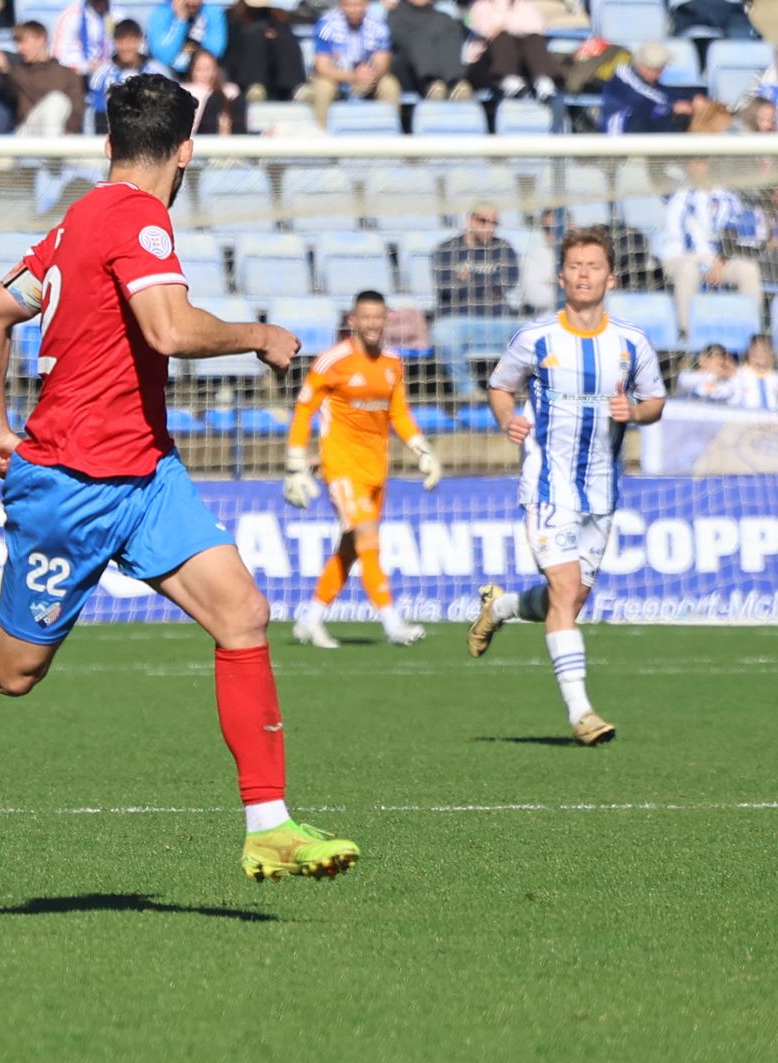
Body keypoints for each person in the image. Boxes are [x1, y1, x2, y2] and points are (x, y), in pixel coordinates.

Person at [0, 74, 361, 884]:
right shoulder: (138, 217)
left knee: (242, 613)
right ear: (187, 152)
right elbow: (168, 329)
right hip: (70, 483)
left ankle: (268, 825)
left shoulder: (74, 224)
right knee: (11, 668)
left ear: (108, 144)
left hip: (147, 473)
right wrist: (259, 333)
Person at [466, 225, 666, 746]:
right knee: (562, 589)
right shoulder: (535, 337)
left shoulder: (631, 342)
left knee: (570, 601)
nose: (583, 274)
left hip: (602, 489)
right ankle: (582, 714)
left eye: (593, 266)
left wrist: (635, 412)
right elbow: (500, 385)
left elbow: (655, 401)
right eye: (575, 266)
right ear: (561, 277)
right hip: (548, 484)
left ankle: (501, 607)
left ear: (610, 278)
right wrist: (506, 418)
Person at [284, 290, 442, 650]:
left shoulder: (392, 363)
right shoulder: (332, 361)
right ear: (353, 321)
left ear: (385, 320)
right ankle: (393, 623)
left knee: (351, 548)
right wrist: (295, 463)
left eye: (378, 317)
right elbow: (304, 409)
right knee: (368, 540)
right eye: (365, 317)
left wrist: (422, 451)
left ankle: (310, 619)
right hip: (341, 466)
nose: (372, 324)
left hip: (375, 469)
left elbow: (399, 412)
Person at [660, 158, 764, 339]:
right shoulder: (677, 193)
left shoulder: (728, 197)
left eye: (704, 161)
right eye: (695, 161)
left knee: (748, 269)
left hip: (719, 259)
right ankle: (686, 335)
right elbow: (679, 240)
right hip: (681, 257)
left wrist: (721, 260)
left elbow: (737, 233)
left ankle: (754, 336)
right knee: (689, 270)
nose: (700, 166)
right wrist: (707, 262)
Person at [431, 202, 522, 399]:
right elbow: (447, 287)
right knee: (442, 333)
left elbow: (509, 282)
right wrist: (490, 284)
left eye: (494, 222)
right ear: (469, 220)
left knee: (536, 330)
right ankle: (469, 392)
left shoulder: (503, 247)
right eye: (483, 221)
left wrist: (470, 278)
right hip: (460, 321)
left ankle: (521, 389)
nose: (489, 227)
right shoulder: (446, 250)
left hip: (500, 320)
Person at [0, 20, 86, 136]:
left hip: (61, 133)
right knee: (55, 101)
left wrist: (70, 131)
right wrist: (4, 70)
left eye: (23, 42)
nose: (19, 48)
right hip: (27, 131)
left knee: (56, 101)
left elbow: (77, 109)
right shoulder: (17, 71)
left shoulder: (68, 74)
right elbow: (9, 90)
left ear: (41, 40)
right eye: (17, 43)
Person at [308, 0, 400, 128]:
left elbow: (382, 62)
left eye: (357, 5)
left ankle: (389, 132)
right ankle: (320, 132)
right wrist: (353, 77)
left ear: (366, 5)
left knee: (389, 85)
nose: (352, 10)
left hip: (368, 78)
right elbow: (322, 67)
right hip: (336, 78)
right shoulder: (326, 24)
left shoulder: (379, 25)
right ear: (341, 5)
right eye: (348, 5)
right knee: (324, 87)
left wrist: (371, 74)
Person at [464, 0, 558, 100]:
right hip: (487, 62)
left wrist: (508, 27)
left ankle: (542, 79)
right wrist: (513, 29)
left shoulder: (524, 6)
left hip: (520, 60)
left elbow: (538, 28)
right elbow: (489, 31)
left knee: (534, 39)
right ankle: (507, 78)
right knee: (502, 37)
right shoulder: (481, 6)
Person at [601, 43, 696, 135]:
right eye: (656, 69)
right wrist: (673, 106)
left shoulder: (650, 83)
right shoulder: (623, 76)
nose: (659, 74)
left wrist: (691, 99)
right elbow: (642, 97)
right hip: (619, 135)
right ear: (642, 66)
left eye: (662, 69)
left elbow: (663, 93)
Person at [220, 0, 304, 104]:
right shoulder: (232, 16)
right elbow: (232, 46)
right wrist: (262, 33)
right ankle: (254, 87)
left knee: (284, 38)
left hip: (274, 73)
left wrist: (273, 36)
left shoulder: (277, 16)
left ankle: (294, 87)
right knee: (255, 38)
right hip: (241, 71)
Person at [89, 19, 166, 132]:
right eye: (121, 41)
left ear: (140, 40)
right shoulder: (102, 74)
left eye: (131, 41)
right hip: (114, 135)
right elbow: (98, 112)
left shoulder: (157, 72)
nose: (126, 47)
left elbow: (165, 109)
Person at [388, 0, 471, 102]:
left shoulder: (444, 20)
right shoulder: (394, 17)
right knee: (419, 41)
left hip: (445, 78)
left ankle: (453, 85)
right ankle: (432, 85)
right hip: (409, 76)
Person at [147, 0, 226, 77]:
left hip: (200, 77)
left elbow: (212, 55)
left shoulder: (212, 12)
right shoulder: (162, 12)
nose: (192, 2)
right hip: (169, 75)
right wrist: (181, 20)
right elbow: (163, 57)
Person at [53, 0, 127, 76]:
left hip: (112, 74)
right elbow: (59, 56)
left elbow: (128, 49)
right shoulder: (71, 16)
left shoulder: (119, 15)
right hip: (79, 76)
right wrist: (85, 66)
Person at [180, 48, 240, 133]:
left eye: (208, 68)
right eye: (199, 69)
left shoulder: (229, 90)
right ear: (192, 70)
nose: (204, 74)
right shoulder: (183, 91)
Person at [733, 333, 778, 409]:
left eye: (764, 350)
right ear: (749, 352)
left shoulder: (775, 377)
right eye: (756, 350)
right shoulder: (737, 375)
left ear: (771, 353)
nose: (760, 354)